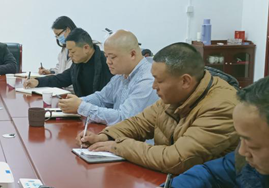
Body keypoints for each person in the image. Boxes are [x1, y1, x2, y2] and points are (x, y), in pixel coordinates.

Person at [79, 42, 238, 174]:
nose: (154, 86)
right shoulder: (175, 96)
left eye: (159, 81)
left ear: (185, 81)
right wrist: (105, 136)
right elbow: (139, 123)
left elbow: (176, 159)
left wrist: (118, 146)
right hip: (170, 181)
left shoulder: (221, 107)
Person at [58, 30, 158, 125]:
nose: (108, 62)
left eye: (112, 57)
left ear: (132, 54)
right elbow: (101, 98)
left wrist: (81, 106)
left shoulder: (147, 81)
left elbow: (124, 119)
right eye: (106, 57)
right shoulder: (121, 75)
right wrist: (76, 102)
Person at [25, 28, 112, 97]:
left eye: (72, 51)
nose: (70, 55)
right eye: (69, 51)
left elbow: (105, 98)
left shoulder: (107, 64)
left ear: (86, 48)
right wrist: (38, 82)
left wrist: (82, 103)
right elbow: (62, 79)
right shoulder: (78, 63)